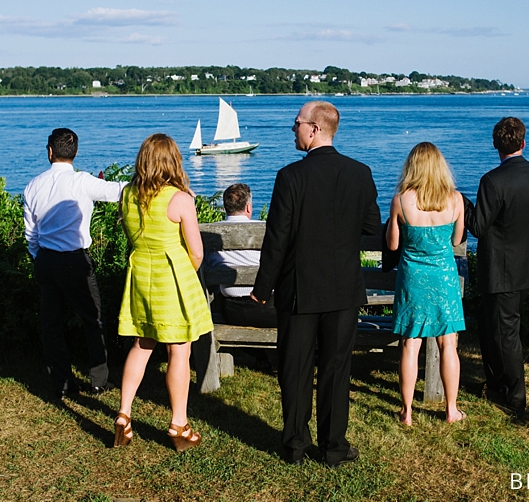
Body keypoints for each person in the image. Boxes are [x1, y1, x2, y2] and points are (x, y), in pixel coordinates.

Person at [251, 101, 380, 468]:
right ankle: (334, 446)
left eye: (296, 124)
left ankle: (294, 444)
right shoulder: (360, 173)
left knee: (295, 367)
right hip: (343, 289)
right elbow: (371, 226)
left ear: (314, 129)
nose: (292, 130)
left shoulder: (290, 177)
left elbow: (276, 240)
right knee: (336, 370)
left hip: (299, 288)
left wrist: (262, 289)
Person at [112, 134, 213, 451]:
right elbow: (196, 252)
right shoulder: (180, 199)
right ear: (173, 161)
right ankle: (179, 424)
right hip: (173, 279)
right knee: (178, 351)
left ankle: (124, 414)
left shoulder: (128, 195)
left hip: (141, 276)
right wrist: (187, 273)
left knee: (142, 344)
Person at [463, 117, 529, 418]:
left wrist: (460, 201)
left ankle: (515, 396)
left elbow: (477, 226)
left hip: (501, 270)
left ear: (495, 145)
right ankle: (495, 383)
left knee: (505, 332)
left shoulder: (493, 181)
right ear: (523, 142)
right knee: (494, 326)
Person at [23, 127, 125, 401]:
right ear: (76, 152)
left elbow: (30, 234)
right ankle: (99, 381)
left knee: (51, 324)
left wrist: (39, 256)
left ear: (49, 152)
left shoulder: (33, 185)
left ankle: (62, 383)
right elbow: (118, 191)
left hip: (46, 259)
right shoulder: (83, 181)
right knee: (93, 319)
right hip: (76, 261)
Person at [386, 142, 466, 426]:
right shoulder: (455, 200)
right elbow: (456, 241)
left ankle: (406, 411)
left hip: (413, 277)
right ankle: (451, 409)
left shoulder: (401, 201)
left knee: (411, 343)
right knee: (448, 343)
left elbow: (393, 244)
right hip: (443, 276)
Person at [206, 183, 277, 328]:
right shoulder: (267, 229)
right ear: (248, 207)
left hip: (232, 312)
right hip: (269, 308)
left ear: (225, 208)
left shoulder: (210, 233)